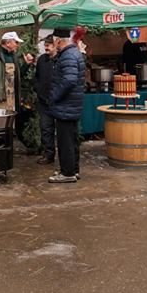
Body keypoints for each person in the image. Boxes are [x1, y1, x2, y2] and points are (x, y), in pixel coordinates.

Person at [47, 27, 85, 184]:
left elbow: (69, 80)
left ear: (58, 40)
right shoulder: (74, 53)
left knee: (65, 141)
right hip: (71, 105)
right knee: (72, 139)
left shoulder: (68, 55)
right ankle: (73, 170)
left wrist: (55, 96)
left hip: (65, 105)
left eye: (53, 40)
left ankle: (67, 173)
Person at [34, 36, 58, 165]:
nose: (46, 47)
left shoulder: (61, 60)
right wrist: (38, 89)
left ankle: (64, 156)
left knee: (61, 131)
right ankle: (48, 155)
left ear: (55, 45)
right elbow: (37, 77)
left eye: (48, 45)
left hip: (58, 101)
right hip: (44, 101)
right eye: (45, 45)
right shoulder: (42, 59)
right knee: (45, 129)